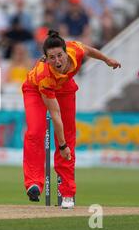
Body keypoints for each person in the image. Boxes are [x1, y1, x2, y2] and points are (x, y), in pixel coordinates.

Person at [22, 30, 121, 209]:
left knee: (69, 138)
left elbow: (89, 50)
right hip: (36, 90)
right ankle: (34, 182)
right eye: (52, 58)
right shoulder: (44, 76)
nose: (57, 61)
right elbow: (55, 114)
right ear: (46, 58)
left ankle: (67, 192)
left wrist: (107, 59)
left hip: (65, 87)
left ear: (66, 52)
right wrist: (61, 146)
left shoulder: (75, 50)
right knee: (35, 131)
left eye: (60, 55)